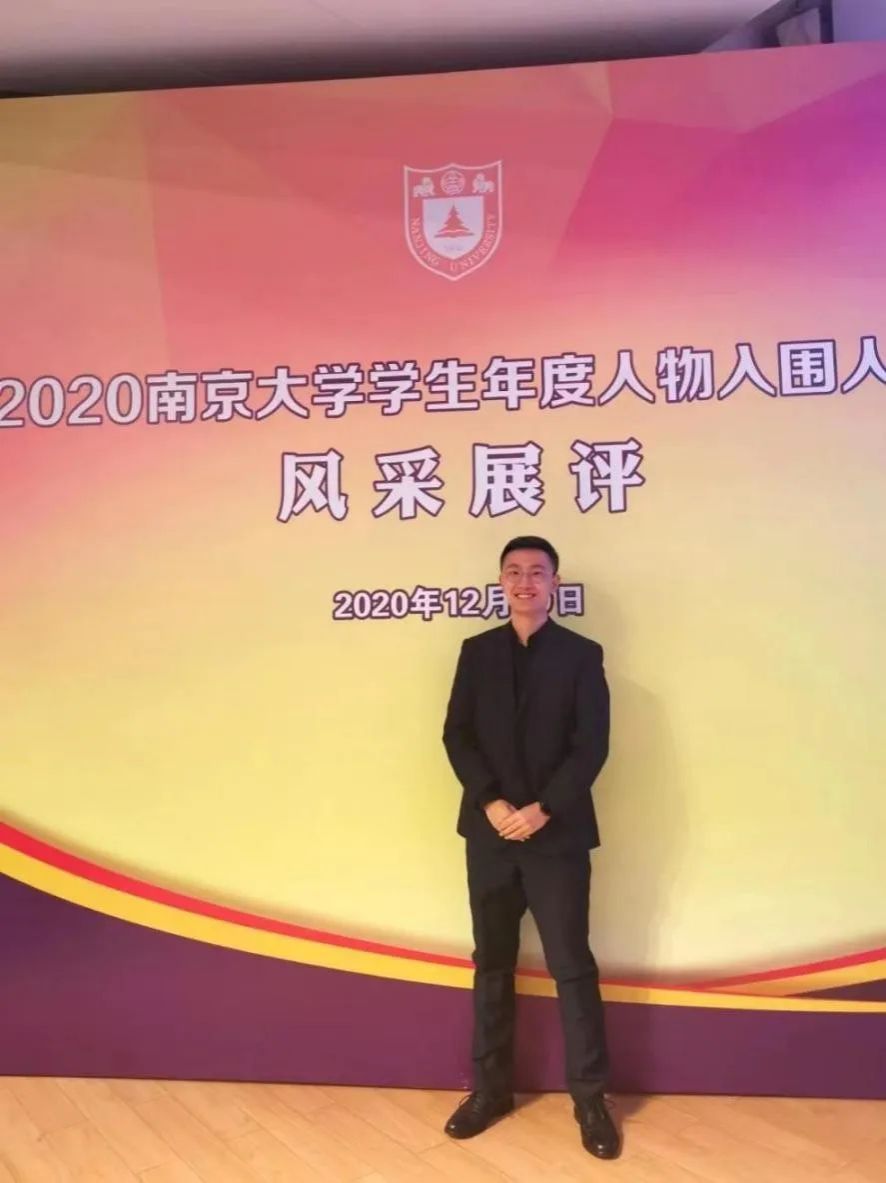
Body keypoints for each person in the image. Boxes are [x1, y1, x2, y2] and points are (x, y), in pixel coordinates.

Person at [441, 535, 620, 1160]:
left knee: (572, 965)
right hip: (490, 834)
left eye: (536, 572)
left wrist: (543, 809)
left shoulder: (581, 655)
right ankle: (490, 1091)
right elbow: (457, 735)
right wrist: (492, 803)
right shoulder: (476, 652)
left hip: (557, 833)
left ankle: (590, 1099)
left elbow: (591, 745)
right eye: (513, 571)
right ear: (501, 582)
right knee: (491, 961)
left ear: (554, 583)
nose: (524, 581)